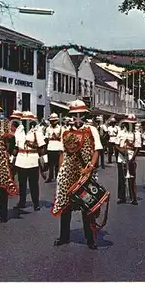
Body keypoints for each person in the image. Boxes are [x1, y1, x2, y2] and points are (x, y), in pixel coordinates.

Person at [52, 99, 103, 250]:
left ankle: (90, 238)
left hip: (85, 172)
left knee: (87, 206)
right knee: (65, 206)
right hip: (68, 172)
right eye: (74, 114)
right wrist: (61, 170)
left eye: (79, 114)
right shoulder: (65, 131)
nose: (77, 117)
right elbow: (62, 152)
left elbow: (97, 150)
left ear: (84, 115)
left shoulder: (91, 130)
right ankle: (64, 237)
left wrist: (91, 167)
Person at [11, 111, 47, 211]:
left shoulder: (37, 132)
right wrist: (11, 160)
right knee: (22, 184)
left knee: (34, 184)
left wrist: (45, 163)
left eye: (27, 121)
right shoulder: (19, 131)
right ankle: (21, 202)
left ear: (31, 122)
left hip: (33, 161)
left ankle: (36, 203)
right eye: (23, 120)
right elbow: (16, 147)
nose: (25, 122)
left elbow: (42, 148)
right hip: (21, 161)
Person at [116, 114, 141, 205]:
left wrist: (132, 158)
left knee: (131, 179)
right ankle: (121, 197)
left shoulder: (137, 134)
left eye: (132, 123)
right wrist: (122, 151)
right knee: (121, 179)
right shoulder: (120, 132)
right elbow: (116, 144)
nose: (130, 125)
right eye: (128, 123)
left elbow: (137, 148)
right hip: (121, 158)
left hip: (130, 157)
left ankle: (133, 198)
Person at [45, 113, 63, 182]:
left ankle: (57, 177)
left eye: (54, 120)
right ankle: (50, 177)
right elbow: (46, 138)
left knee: (57, 164)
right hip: (50, 147)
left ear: (57, 121)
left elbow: (62, 139)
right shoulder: (48, 128)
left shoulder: (60, 128)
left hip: (57, 147)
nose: (52, 122)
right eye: (51, 121)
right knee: (50, 164)